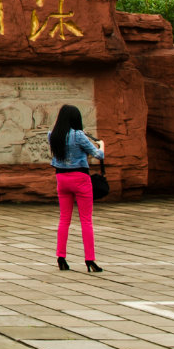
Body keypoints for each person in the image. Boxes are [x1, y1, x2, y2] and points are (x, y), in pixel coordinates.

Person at [48, 104, 104, 272]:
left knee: (64, 219)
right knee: (86, 220)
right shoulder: (78, 135)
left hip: (61, 178)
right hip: (80, 178)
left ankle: (61, 257)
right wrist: (101, 144)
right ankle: (90, 260)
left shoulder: (52, 135)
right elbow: (98, 155)